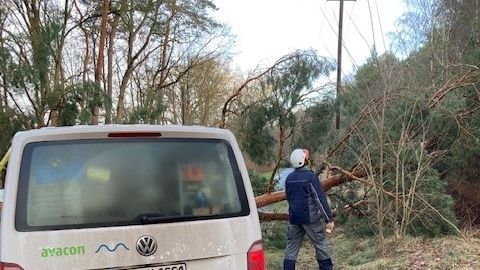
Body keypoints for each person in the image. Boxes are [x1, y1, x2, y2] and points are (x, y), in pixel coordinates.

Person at [283, 148, 334, 270]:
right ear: (304, 160)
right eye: (306, 157)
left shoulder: (289, 178)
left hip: (294, 219)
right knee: (321, 244)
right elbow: (319, 199)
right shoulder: (310, 177)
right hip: (310, 219)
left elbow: (289, 198)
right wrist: (328, 219)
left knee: (291, 248)